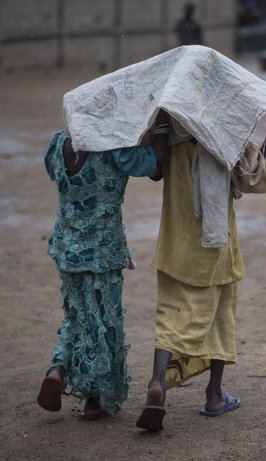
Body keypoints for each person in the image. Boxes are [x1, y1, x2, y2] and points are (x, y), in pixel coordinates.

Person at [136, 101, 266, 431]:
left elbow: (152, 168)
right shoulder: (225, 131)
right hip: (216, 244)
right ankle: (214, 394)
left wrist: (163, 117)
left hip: (175, 242)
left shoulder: (169, 127)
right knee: (220, 316)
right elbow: (253, 175)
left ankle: (158, 383)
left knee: (169, 316)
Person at [37, 110, 171, 420]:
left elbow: (53, 172)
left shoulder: (58, 145)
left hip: (66, 249)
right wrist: (162, 123)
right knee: (105, 323)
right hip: (102, 253)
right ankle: (96, 401)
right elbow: (155, 160)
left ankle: (58, 369)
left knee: (77, 315)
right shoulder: (114, 150)